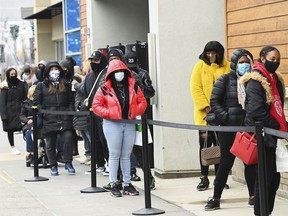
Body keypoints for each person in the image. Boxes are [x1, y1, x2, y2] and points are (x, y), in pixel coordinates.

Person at [204, 48, 256, 210]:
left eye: (248, 63)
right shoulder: (225, 80)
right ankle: (216, 197)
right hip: (229, 128)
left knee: (250, 163)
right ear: (235, 64)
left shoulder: (254, 81)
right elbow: (215, 101)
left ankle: (253, 196)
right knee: (226, 163)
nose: (245, 66)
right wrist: (226, 117)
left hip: (248, 128)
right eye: (241, 63)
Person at [92, 59, 147, 197]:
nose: (119, 74)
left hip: (129, 123)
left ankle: (127, 183)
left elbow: (143, 102)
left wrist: (134, 112)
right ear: (111, 74)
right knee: (114, 154)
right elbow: (96, 105)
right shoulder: (104, 88)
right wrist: (110, 113)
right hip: (112, 124)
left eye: (122, 71)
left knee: (126, 155)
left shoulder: (133, 87)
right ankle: (114, 183)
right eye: (116, 72)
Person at [241, 46, 286, 216]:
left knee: (274, 180)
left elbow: (278, 106)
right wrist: (276, 126)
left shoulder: (275, 80)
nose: (275, 62)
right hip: (264, 135)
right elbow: (256, 111)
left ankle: (267, 212)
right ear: (262, 58)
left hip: (274, 135)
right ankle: (261, 213)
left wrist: (283, 125)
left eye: (278, 59)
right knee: (265, 179)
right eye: (272, 59)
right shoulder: (255, 80)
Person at [190, 41, 230, 191]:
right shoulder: (200, 65)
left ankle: (220, 178)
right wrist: (207, 108)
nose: (211, 55)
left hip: (223, 115)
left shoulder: (227, 66)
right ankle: (204, 177)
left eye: (214, 53)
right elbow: (195, 88)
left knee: (222, 147)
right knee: (205, 146)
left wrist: (220, 111)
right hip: (204, 116)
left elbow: (229, 88)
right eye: (208, 53)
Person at [33, 61, 76, 176]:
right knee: (50, 144)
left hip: (64, 117)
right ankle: (53, 165)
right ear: (48, 72)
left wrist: (69, 112)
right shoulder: (41, 85)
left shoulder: (66, 84)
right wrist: (43, 113)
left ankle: (68, 162)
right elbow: (37, 102)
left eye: (56, 69)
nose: (54, 72)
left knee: (68, 139)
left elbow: (72, 100)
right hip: (49, 118)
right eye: (51, 70)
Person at [124, 51, 156, 189]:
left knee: (140, 147)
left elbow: (150, 92)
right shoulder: (119, 76)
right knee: (125, 148)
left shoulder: (141, 74)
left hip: (139, 116)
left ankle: (147, 175)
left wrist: (144, 86)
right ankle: (128, 174)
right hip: (124, 117)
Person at [84, 51, 109, 173]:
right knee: (94, 139)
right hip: (91, 113)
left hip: (104, 113)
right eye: (91, 61)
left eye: (96, 60)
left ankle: (110, 164)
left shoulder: (107, 74)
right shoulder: (89, 76)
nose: (93, 63)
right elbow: (82, 92)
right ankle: (99, 163)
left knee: (105, 139)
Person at [0, 68, 28, 155]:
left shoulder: (21, 84)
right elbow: (2, 102)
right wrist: (4, 116)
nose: (13, 76)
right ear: (8, 75)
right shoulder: (5, 86)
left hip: (20, 109)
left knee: (25, 128)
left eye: (14, 74)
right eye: (11, 74)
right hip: (9, 111)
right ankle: (12, 147)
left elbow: (25, 97)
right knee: (10, 130)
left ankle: (28, 147)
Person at [71, 66, 91, 165]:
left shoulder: (86, 80)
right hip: (79, 111)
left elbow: (85, 89)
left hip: (84, 111)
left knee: (89, 135)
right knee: (84, 136)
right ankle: (88, 154)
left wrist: (76, 85)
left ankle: (94, 156)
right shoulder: (85, 78)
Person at [20, 85, 37, 165]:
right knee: (28, 133)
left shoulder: (42, 102)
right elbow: (21, 115)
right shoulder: (26, 103)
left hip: (41, 123)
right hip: (30, 124)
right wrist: (27, 120)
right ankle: (30, 152)